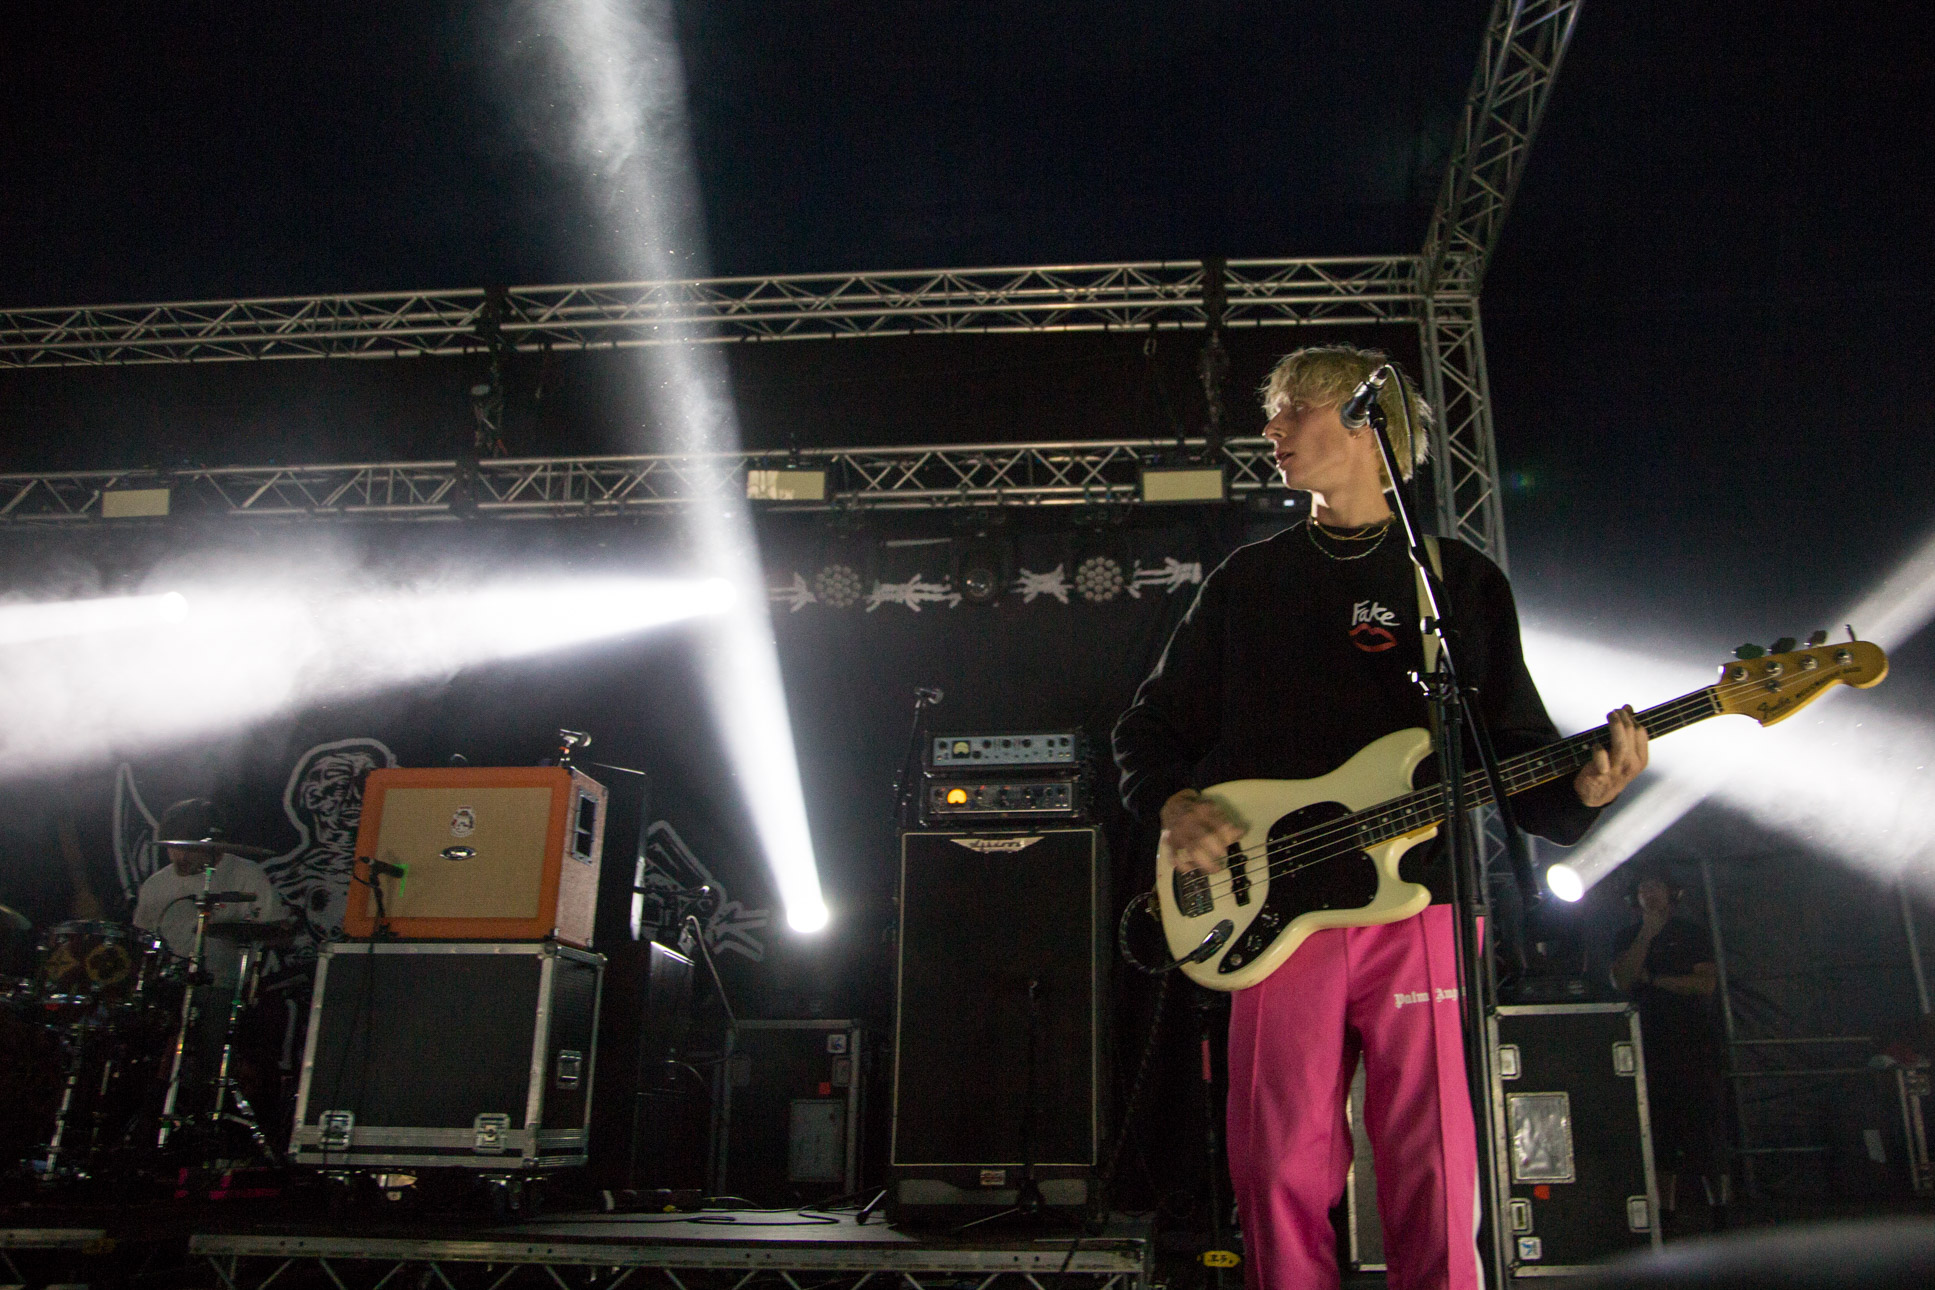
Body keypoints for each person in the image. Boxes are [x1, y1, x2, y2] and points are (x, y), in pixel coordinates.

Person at [1112, 345, 1649, 1290]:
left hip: (1423, 908)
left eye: (1292, 414)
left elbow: (1512, 752)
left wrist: (1585, 793)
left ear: (1368, 426)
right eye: (1270, 416)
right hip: (1275, 917)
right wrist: (1177, 802)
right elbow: (1146, 731)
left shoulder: (1457, 581)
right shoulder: (1247, 580)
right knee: (1277, 1165)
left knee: (1436, 1165)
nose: (1269, 433)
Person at [1610, 864, 1724, 1231]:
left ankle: (1720, 1207)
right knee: (1658, 1131)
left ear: (1671, 892)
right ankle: (1665, 1212)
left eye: (1656, 885)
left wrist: (1656, 980)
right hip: (1648, 1044)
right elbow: (1623, 981)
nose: (1650, 893)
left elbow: (1704, 984)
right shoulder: (1628, 936)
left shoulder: (1692, 934)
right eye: (1644, 887)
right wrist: (1645, 937)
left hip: (1693, 1042)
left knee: (1704, 1128)